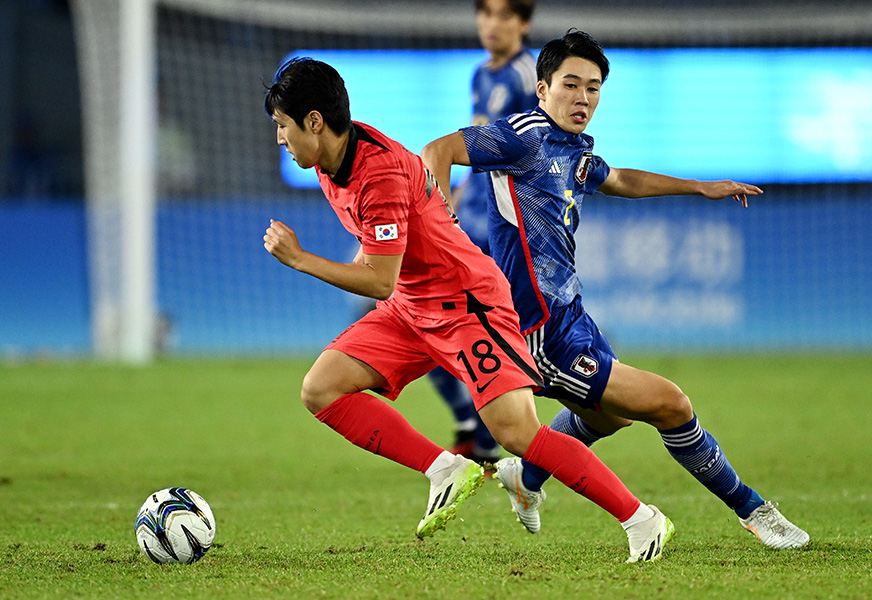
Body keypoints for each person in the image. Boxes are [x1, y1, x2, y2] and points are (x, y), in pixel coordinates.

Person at [262, 56, 674, 562]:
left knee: (516, 433)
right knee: (321, 388)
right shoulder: (333, 163)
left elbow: (378, 281)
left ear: (314, 122)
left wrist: (301, 259)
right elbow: (381, 263)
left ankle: (642, 519)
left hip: (467, 305)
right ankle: (445, 468)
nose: (279, 138)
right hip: (413, 306)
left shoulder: (377, 173)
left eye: (282, 125)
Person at [421, 30, 810, 550]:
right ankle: (755, 512)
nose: (582, 97)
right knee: (671, 405)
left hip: (571, 314)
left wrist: (700, 187)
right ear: (542, 89)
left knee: (614, 417)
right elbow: (437, 150)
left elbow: (621, 179)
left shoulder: (573, 148)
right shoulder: (521, 137)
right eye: (570, 85)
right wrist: (441, 227)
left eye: (593, 88)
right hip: (538, 330)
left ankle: (526, 477)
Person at [435, 0, 539, 465]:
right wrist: (453, 202)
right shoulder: (480, 75)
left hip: (502, 228)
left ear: (523, 22)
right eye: (485, 13)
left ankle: (491, 437)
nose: (491, 24)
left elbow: (545, 152)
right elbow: (472, 152)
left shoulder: (528, 76)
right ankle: (473, 428)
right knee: (418, 315)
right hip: (466, 220)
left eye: (503, 14)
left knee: (486, 336)